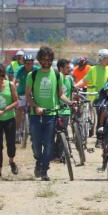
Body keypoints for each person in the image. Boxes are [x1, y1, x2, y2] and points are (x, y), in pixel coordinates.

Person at [26, 46, 71, 181]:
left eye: (49, 59)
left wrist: (70, 102)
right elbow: (28, 96)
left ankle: (44, 170)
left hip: (51, 114)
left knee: (49, 143)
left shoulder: (57, 75)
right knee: (36, 143)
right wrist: (36, 106)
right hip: (35, 115)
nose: (46, 61)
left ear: (52, 60)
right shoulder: (32, 75)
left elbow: (60, 94)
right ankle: (38, 161)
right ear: (39, 60)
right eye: (43, 59)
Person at [53, 58, 76, 161]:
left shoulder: (70, 79)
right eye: (67, 67)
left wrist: (72, 103)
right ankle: (56, 154)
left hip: (66, 110)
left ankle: (60, 154)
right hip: (56, 110)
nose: (69, 69)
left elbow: (71, 91)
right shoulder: (56, 78)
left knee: (62, 133)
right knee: (55, 133)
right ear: (60, 68)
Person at [13, 53, 37, 144]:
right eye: (27, 63)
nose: (29, 65)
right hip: (21, 93)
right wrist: (13, 91)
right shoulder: (19, 70)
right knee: (19, 111)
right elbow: (13, 81)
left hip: (33, 93)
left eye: (31, 63)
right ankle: (17, 131)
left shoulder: (36, 70)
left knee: (36, 110)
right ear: (23, 63)